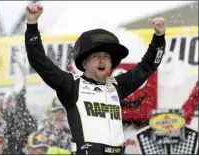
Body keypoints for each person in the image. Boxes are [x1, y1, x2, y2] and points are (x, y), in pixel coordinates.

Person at [25, 3, 166, 155]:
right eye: (96, 56)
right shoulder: (72, 85)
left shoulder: (117, 86)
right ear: (84, 63)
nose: (102, 61)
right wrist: (32, 25)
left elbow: (147, 67)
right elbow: (38, 61)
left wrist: (158, 39)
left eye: (106, 57)